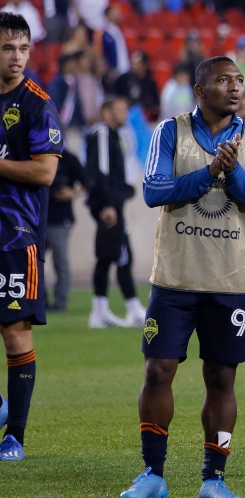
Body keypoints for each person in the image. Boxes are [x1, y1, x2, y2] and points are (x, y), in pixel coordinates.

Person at [119, 56, 245, 498]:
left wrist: (234, 173)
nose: (235, 87)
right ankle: (152, 474)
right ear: (200, 89)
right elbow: (153, 190)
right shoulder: (170, 132)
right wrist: (209, 172)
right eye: (223, 80)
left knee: (222, 378)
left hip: (230, 281)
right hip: (175, 278)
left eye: (239, 80)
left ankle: (214, 478)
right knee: (158, 371)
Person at [0, 13, 62, 461]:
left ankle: (15, 436)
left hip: (15, 238)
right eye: (8, 48)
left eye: (23, 48)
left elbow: (44, 172)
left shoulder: (37, 104)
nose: (17, 56)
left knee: (15, 332)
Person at [85, 97, 145, 329]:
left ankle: (102, 311)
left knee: (112, 256)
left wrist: (123, 191)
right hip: (108, 206)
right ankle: (131, 310)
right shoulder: (102, 133)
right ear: (106, 112)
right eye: (120, 110)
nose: (124, 114)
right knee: (120, 256)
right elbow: (100, 171)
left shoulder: (113, 136)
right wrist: (108, 204)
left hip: (111, 203)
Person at [46, 149, 83, 312]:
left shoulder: (69, 159)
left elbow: (88, 182)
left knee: (60, 261)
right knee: (34, 261)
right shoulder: (36, 154)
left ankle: (60, 302)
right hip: (38, 218)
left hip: (60, 219)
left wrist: (73, 193)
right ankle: (39, 300)